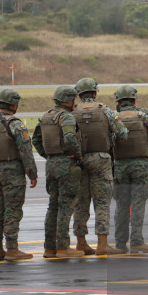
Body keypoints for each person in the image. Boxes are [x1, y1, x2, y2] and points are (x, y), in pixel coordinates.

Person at [72, 77, 127, 255]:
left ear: (79, 94)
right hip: (101, 159)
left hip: (78, 160)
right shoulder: (106, 111)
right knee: (102, 202)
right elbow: (122, 133)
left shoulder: (71, 112)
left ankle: (81, 242)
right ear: (95, 93)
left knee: (81, 203)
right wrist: (111, 142)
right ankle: (102, 244)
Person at [0, 89, 38, 261]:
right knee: (12, 210)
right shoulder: (16, 124)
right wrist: (32, 173)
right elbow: (25, 150)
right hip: (11, 172)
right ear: (14, 104)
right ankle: (12, 249)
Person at [31, 86, 84, 258]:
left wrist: (48, 155)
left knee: (52, 206)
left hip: (51, 164)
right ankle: (63, 246)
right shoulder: (66, 117)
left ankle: (49, 247)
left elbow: (36, 140)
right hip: (65, 164)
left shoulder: (46, 116)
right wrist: (77, 155)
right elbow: (69, 138)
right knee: (66, 205)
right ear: (68, 100)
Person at [113, 85, 148, 253]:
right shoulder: (143, 117)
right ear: (134, 100)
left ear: (118, 101)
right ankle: (137, 241)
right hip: (140, 165)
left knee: (121, 205)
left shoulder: (113, 118)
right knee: (138, 204)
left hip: (119, 166)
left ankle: (120, 243)